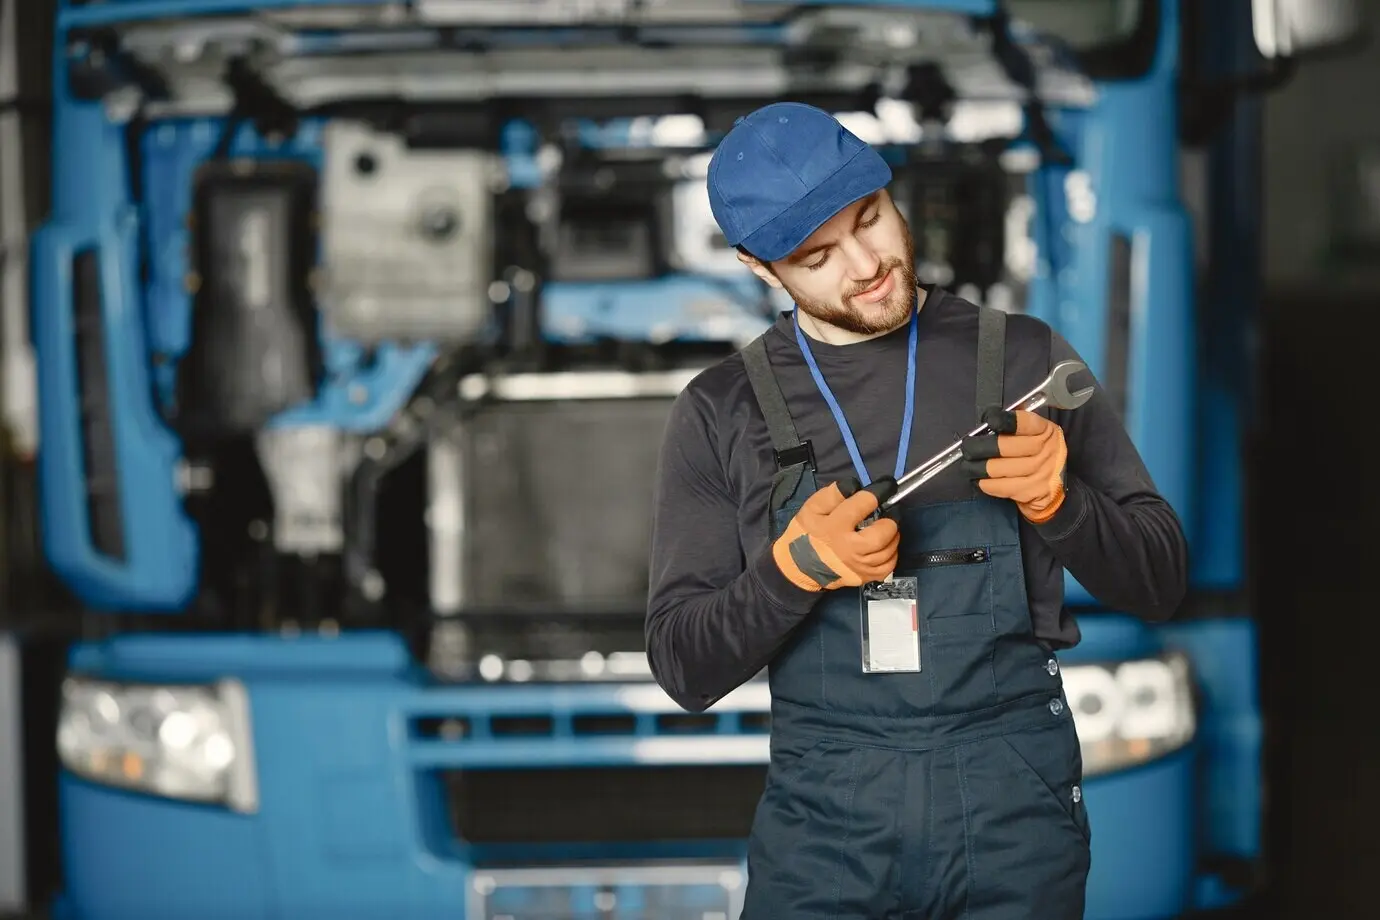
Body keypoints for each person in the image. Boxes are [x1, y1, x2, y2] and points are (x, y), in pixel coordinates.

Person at [644, 101, 1189, 919]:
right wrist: (791, 573)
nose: (866, 265)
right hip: (826, 829)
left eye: (871, 220)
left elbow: (1160, 581)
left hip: (1013, 803)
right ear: (763, 269)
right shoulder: (723, 412)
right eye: (818, 256)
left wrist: (1061, 503)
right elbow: (684, 667)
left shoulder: (1028, 360)